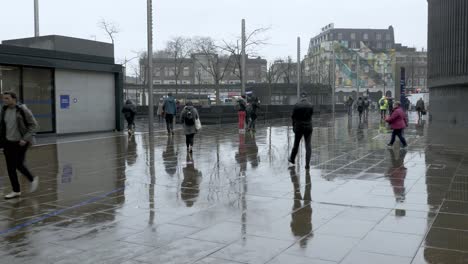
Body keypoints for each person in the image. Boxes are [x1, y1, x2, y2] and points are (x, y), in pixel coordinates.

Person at [0, 91, 39, 199]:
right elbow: (3, 127)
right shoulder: (4, 110)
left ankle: (32, 178)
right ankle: (16, 191)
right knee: (10, 168)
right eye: (4, 98)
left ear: (14, 99)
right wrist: (2, 144)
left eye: (7, 98)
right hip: (8, 142)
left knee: (17, 164)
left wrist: (25, 139)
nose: (4, 100)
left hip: (20, 142)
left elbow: (34, 125)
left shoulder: (22, 110)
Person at [289, 93, 314, 170]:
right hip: (308, 127)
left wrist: (294, 126)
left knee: (296, 144)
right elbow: (311, 115)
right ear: (306, 97)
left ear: (300, 98)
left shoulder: (296, 105)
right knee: (308, 146)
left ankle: (292, 159)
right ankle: (307, 165)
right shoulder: (311, 105)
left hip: (299, 127)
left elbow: (293, 117)